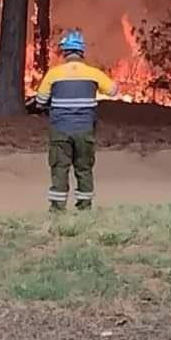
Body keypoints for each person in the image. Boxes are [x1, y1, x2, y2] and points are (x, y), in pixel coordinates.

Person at [33, 30, 118, 212]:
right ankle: (84, 207)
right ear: (81, 52)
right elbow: (113, 91)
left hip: (60, 130)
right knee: (84, 169)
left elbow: (39, 102)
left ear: (64, 52)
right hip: (84, 130)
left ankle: (57, 209)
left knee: (59, 168)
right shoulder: (93, 73)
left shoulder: (53, 74)